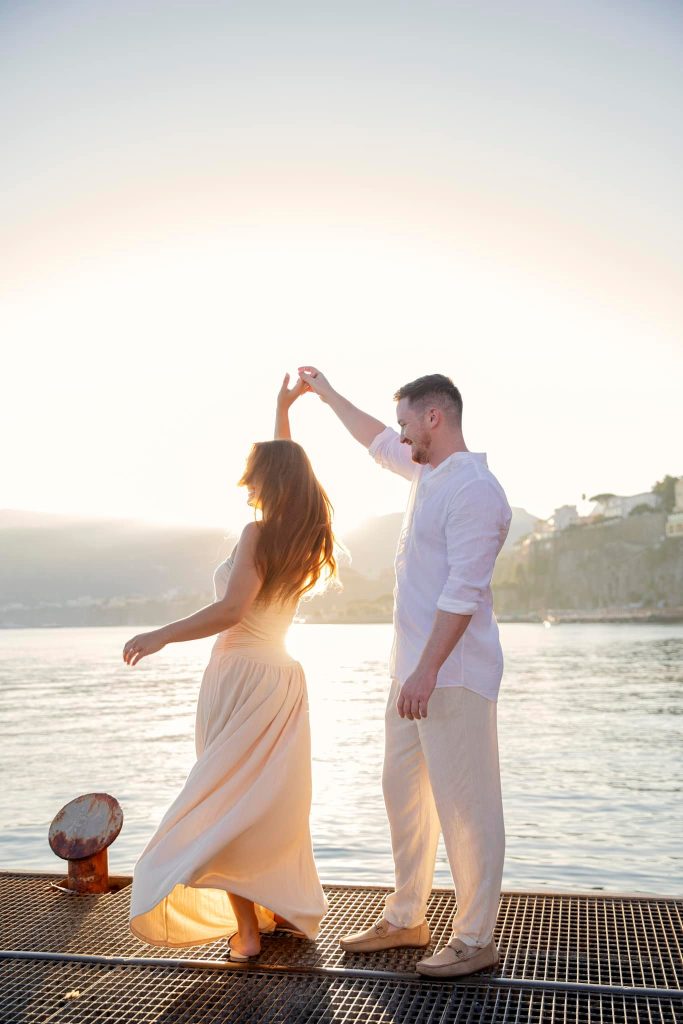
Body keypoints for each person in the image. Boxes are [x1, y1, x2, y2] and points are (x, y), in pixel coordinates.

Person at [298, 366, 511, 979]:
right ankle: (407, 918)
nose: (399, 434)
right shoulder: (426, 469)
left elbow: (463, 591)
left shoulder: (473, 488)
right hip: (411, 675)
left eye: (406, 423)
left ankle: (474, 938)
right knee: (404, 795)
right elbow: (372, 440)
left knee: (468, 809)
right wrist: (328, 393)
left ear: (434, 418)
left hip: (452, 676)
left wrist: (425, 672)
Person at [123, 374, 335, 962]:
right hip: (282, 679)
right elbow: (289, 468)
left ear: (268, 482)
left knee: (223, 802)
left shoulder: (257, 533)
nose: (247, 485)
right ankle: (282, 910)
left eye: (255, 476)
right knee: (266, 803)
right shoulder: (305, 532)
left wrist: (161, 634)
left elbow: (233, 608)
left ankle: (246, 933)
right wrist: (281, 410)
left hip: (239, 676)